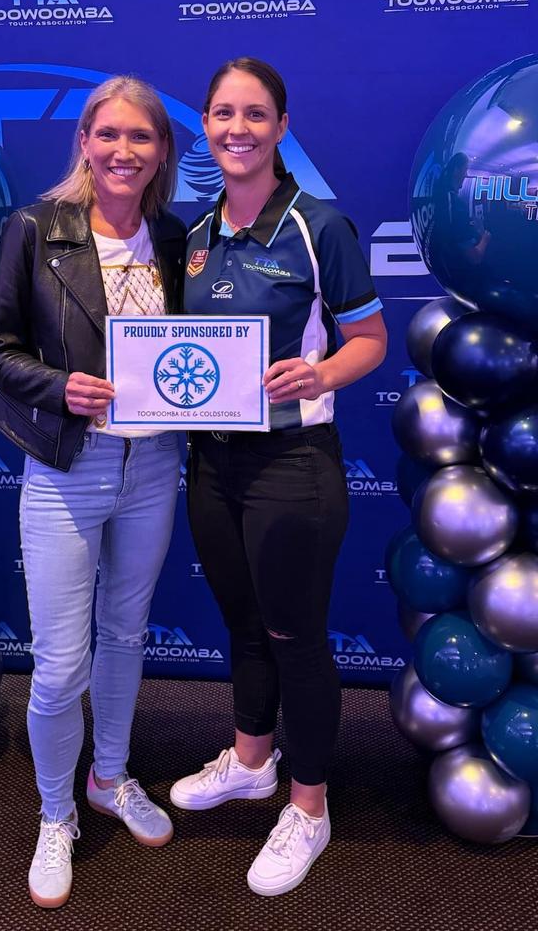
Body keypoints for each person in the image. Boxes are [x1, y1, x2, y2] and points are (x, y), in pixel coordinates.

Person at [170, 58, 387, 896]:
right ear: (208, 128)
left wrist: (321, 375)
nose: (237, 129)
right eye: (222, 114)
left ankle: (309, 806)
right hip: (211, 462)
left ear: (281, 127)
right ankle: (252, 761)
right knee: (246, 625)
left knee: (295, 635)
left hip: (293, 464)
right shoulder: (191, 238)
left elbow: (369, 341)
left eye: (254, 115)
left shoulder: (318, 226)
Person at [0, 76, 185, 909]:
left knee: (126, 633)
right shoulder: (36, 228)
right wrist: (57, 386)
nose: (123, 152)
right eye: (108, 136)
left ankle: (109, 777)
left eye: (141, 137)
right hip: (68, 467)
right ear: (85, 143)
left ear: (162, 151)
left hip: (156, 466)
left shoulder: (174, 237)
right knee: (61, 666)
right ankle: (55, 813)